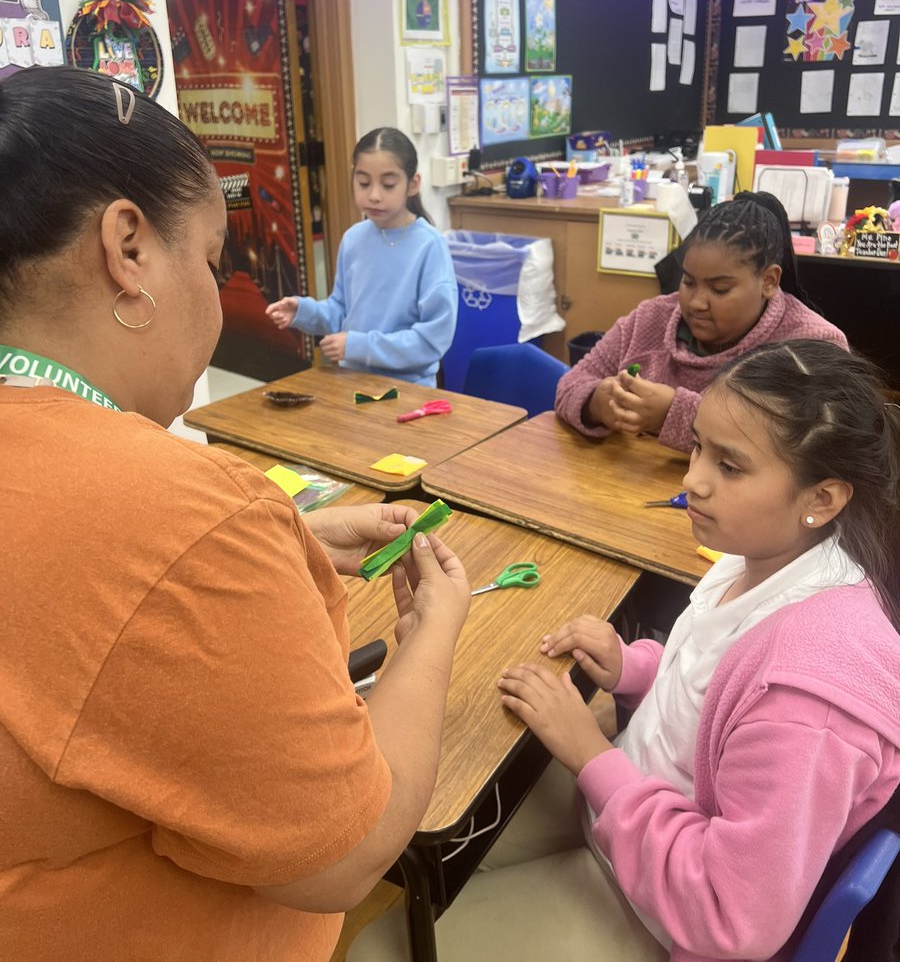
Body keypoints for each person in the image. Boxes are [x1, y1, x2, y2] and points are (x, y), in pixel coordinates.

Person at [0, 67, 470, 962]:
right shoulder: (185, 520)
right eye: (213, 261)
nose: (220, 294)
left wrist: (281, 534)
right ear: (128, 248)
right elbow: (344, 853)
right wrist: (433, 636)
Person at [351, 339, 900, 961]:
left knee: (379, 948)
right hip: (635, 811)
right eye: (697, 446)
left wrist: (589, 754)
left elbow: (730, 913)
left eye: (730, 466)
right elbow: (718, 686)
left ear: (822, 500)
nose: (692, 480)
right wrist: (634, 667)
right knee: (438, 830)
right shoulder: (763, 559)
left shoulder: (810, 702)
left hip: (672, 917)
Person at [555, 191, 848, 452]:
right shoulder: (651, 317)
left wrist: (674, 413)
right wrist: (596, 403)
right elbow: (569, 385)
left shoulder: (812, 344)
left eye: (719, 289)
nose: (696, 303)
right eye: (688, 282)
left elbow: (804, 445)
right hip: (623, 491)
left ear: (769, 281)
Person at [266, 127, 457, 386]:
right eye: (364, 183)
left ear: (413, 184)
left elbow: (431, 341)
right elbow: (342, 312)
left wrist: (358, 346)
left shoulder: (430, 246)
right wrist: (303, 311)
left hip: (409, 390)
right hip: (351, 382)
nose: (374, 195)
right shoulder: (354, 239)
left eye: (388, 184)